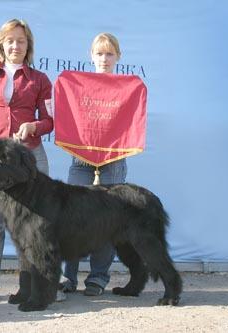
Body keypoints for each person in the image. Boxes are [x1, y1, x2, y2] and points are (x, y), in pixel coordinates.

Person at [0, 19, 54, 304]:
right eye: (11, 40)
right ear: (1, 45)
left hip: (30, 160)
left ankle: (38, 286)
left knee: (36, 224)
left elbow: (51, 120)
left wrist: (34, 126)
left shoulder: (40, 79)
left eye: (22, 41)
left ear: (29, 46)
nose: (16, 46)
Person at [58, 32, 127, 297]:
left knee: (106, 223)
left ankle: (98, 278)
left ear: (118, 57)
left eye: (110, 53)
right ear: (91, 56)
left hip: (113, 162)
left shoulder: (126, 89)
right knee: (72, 219)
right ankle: (68, 277)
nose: (104, 59)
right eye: (99, 53)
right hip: (80, 161)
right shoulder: (79, 86)